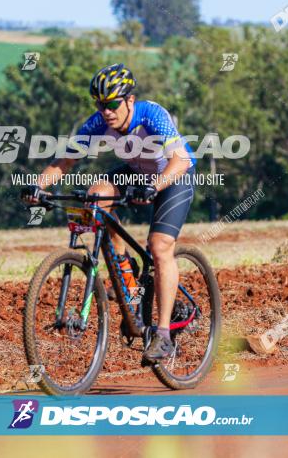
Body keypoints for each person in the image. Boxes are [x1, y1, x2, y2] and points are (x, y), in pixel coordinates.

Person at [21, 63, 196, 364]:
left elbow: (179, 161)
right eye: (100, 105)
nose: (106, 111)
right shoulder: (97, 123)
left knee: (158, 247)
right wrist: (37, 186)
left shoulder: (151, 115)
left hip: (173, 176)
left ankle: (164, 335)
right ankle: (127, 279)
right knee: (95, 196)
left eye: (113, 103)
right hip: (136, 173)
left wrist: (154, 186)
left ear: (129, 100)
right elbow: (64, 162)